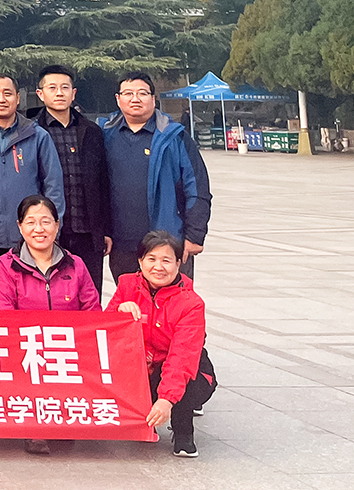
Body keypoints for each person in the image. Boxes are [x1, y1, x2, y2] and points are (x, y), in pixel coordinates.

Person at [0, 195, 99, 455]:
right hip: (26, 349)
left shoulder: (76, 265)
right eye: (31, 222)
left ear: (57, 225)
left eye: (46, 222)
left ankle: (65, 416)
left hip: (67, 350)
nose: (38, 229)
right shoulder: (6, 266)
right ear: (20, 227)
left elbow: (92, 310)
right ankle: (35, 426)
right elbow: (3, 316)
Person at [109, 231, 217, 458]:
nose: (158, 267)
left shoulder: (191, 304)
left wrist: (166, 400)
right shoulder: (127, 287)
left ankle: (183, 430)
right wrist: (118, 312)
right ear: (140, 261)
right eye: (151, 259)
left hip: (186, 370)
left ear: (178, 263)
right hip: (141, 367)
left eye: (166, 260)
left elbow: (182, 357)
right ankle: (144, 420)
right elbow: (103, 332)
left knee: (184, 381)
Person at [100, 72, 212, 281]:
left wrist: (195, 234)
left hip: (168, 242)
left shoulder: (174, 137)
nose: (135, 99)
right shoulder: (105, 136)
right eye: (128, 93)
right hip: (122, 245)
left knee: (172, 299)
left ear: (153, 98)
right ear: (118, 99)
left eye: (143, 93)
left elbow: (197, 187)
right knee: (130, 300)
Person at [0, 74, 65, 276]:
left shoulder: (38, 136)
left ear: (17, 98)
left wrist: (52, 231)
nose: (1, 99)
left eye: (7, 93)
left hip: (29, 241)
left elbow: (54, 187)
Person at [31, 65, 113, 298]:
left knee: (89, 294)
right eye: (52, 88)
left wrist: (105, 229)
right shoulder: (32, 132)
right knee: (51, 296)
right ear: (40, 94)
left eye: (64, 88)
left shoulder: (92, 131)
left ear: (73, 93)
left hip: (87, 230)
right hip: (50, 231)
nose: (59, 93)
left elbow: (103, 183)